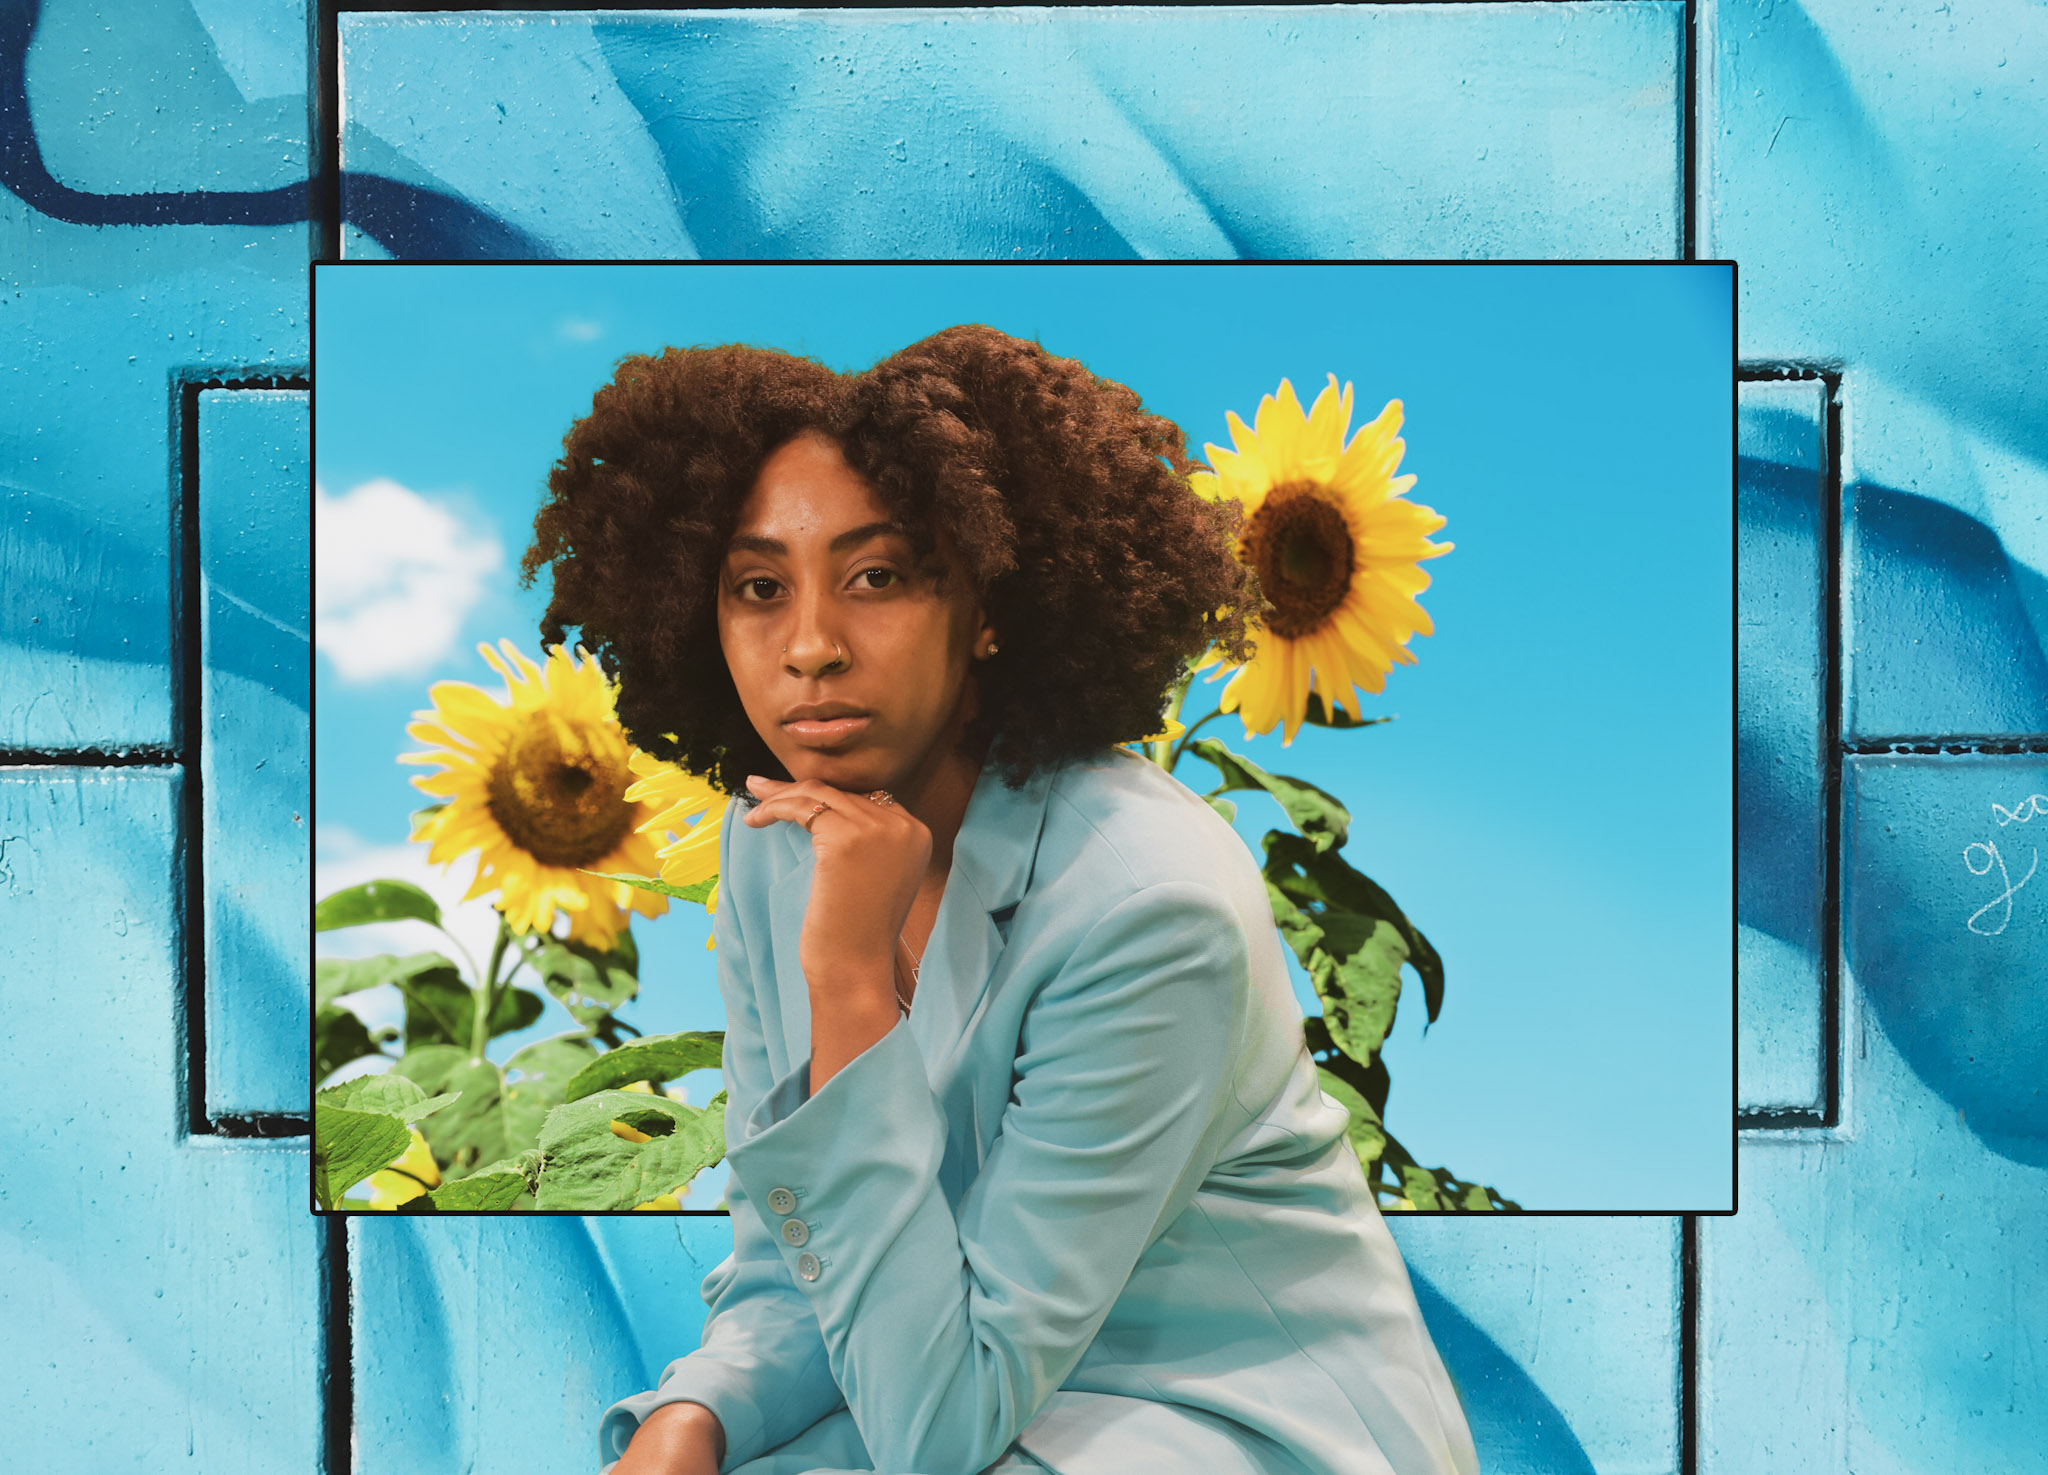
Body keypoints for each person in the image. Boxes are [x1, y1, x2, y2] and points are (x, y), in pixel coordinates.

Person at [523, 325, 1482, 1475]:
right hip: (957, 1379)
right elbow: (797, 1259)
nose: (811, 646)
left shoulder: (1146, 903)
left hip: (1224, 1427)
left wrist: (844, 979)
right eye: (758, 587)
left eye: (875, 576)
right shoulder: (773, 838)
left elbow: (940, 1429)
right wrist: (693, 1420)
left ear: (984, 605)